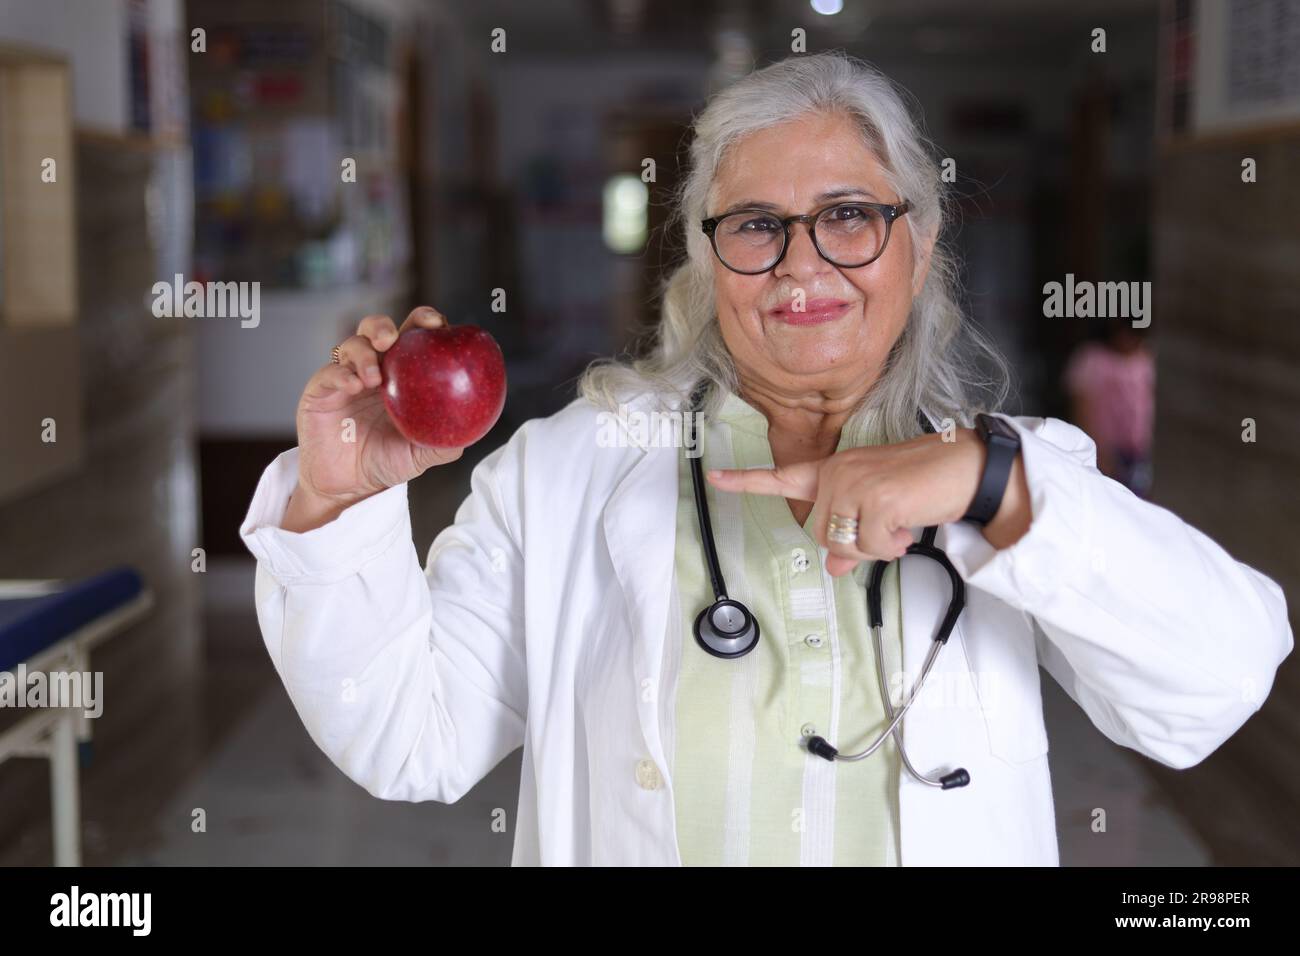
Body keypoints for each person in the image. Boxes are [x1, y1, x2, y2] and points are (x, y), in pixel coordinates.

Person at [239, 52, 1292, 866]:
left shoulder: (1011, 474)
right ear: (708, 259)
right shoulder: (566, 472)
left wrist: (992, 484)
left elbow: (1218, 679)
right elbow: (406, 740)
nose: (801, 263)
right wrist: (336, 499)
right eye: (755, 224)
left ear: (917, 244)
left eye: (848, 216)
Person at [1065, 324, 1155, 497]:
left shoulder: (1145, 358)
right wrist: (1097, 448)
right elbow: (1081, 408)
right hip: (1101, 448)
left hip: (1136, 451)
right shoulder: (1091, 359)